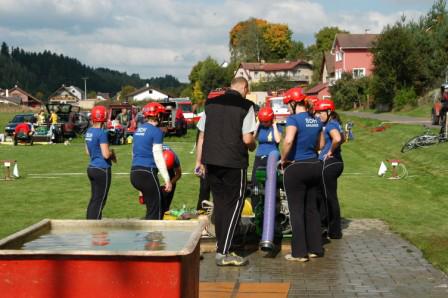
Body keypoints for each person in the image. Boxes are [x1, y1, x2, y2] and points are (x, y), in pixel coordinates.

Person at [195, 77, 257, 266]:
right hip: (233, 161)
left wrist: (199, 161)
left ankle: (222, 244)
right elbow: (247, 140)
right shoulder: (247, 106)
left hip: (211, 160)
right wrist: (254, 143)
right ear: (244, 88)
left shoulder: (210, 103)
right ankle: (224, 252)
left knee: (220, 204)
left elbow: (202, 136)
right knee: (235, 204)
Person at [280, 87, 324, 262]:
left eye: (288, 104)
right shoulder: (316, 120)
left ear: (293, 102)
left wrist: (283, 158)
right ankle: (316, 248)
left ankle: (299, 252)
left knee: (296, 210)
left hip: (296, 167)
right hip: (314, 165)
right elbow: (321, 144)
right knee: (312, 209)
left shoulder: (293, 119)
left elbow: (289, 140)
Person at [131, 102, 172, 220]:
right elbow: (158, 156)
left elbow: (133, 153)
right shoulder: (156, 131)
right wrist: (167, 179)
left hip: (134, 173)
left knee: (150, 209)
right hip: (147, 173)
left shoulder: (138, 130)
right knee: (156, 210)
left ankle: (147, 237)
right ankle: (154, 238)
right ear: (157, 115)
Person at [314, 99, 344, 240]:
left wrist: (330, 151)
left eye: (321, 112)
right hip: (332, 163)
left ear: (328, 111)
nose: (319, 114)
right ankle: (324, 225)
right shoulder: (332, 124)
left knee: (329, 197)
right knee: (323, 195)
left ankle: (334, 231)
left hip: (331, 163)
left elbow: (337, 139)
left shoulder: (332, 124)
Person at [85, 105, 116, 220]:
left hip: (91, 167)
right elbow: (106, 154)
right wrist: (112, 154)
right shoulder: (102, 133)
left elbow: (88, 152)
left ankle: (89, 223)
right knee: (100, 200)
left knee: (94, 198)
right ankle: (95, 226)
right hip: (102, 169)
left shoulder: (89, 131)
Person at [250, 106, 282, 209]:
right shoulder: (260, 126)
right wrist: (258, 123)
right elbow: (252, 138)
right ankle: (255, 208)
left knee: (272, 182)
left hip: (273, 157)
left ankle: (275, 208)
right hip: (260, 156)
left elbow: (277, 140)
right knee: (255, 181)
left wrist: (274, 126)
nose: (264, 123)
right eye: (262, 121)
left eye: (266, 121)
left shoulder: (276, 127)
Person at [138, 145, 182, 213]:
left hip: (165, 162)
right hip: (155, 160)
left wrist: (169, 183)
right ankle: (152, 210)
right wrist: (141, 192)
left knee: (169, 185)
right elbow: (142, 174)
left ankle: (165, 208)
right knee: (150, 181)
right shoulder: (151, 156)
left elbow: (178, 175)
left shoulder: (174, 159)